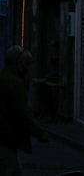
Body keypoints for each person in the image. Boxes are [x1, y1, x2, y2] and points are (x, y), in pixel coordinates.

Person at [0, 46, 50, 176]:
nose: (27, 68)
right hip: (6, 140)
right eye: (24, 64)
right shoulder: (15, 83)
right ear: (17, 64)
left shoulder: (4, 78)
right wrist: (40, 133)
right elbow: (23, 114)